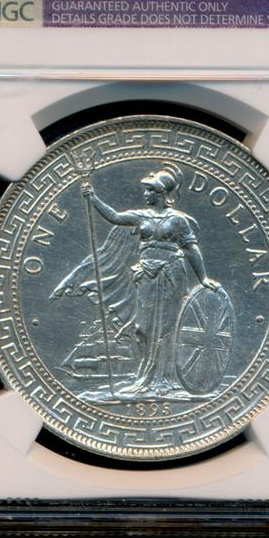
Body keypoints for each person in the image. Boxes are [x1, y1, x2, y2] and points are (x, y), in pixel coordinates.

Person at [64, 163, 221, 398]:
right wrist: (93, 198)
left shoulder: (178, 220)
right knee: (142, 328)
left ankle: (164, 380)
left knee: (168, 328)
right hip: (146, 276)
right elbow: (115, 217)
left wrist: (203, 278)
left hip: (171, 274)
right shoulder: (141, 216)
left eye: (150, 190)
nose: (145, 194)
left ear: (161, 193)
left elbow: (191, 249)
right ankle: (144, 379)